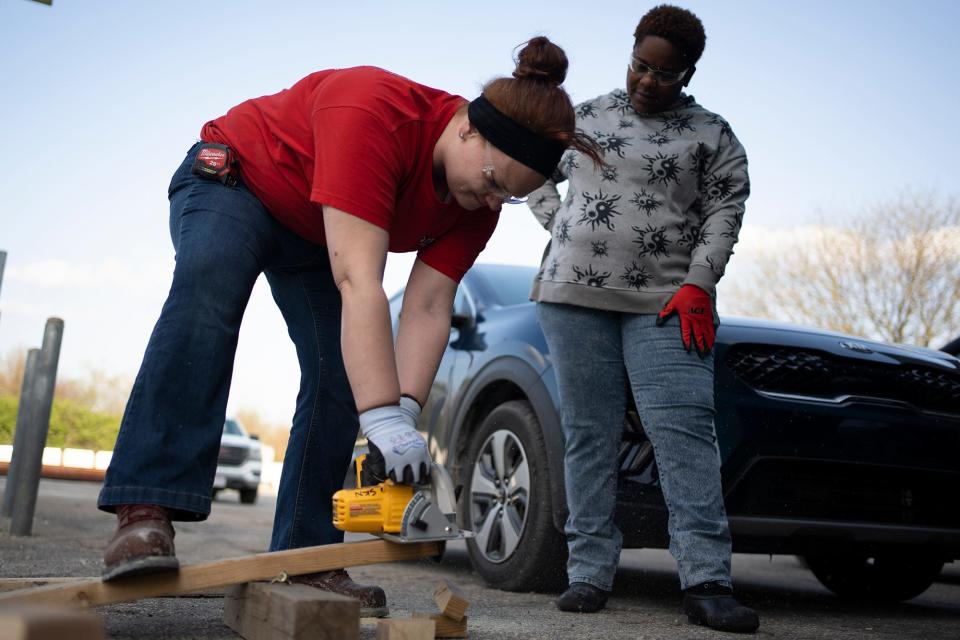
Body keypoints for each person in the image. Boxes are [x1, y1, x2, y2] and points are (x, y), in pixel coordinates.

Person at [97, 36, 599, 617]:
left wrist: (402, 418)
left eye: (508, 198)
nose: (491, 203)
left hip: (315, 229)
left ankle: (307, 556)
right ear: (466, 128)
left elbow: (430, 305)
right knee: (208, 294)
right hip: (238, 181)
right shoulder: (373, 111)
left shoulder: (473, 201)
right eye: (492, 181)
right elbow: (361, 279)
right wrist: (381, 414)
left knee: (344, 375)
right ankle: (144, 514)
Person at [527, 5, 759, 634]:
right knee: (589, 434)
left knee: (683, 435)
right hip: (572, 298)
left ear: (687, 73)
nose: (646, 81)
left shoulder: (711, 132)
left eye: (663, 73)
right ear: (629, 55)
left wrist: (698, 284)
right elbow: (531, 173)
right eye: (639, 65)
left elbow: (725, 210)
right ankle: (588, 573)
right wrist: (564, 228)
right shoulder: (586, 116)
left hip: (665, 305)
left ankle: (707, 580)